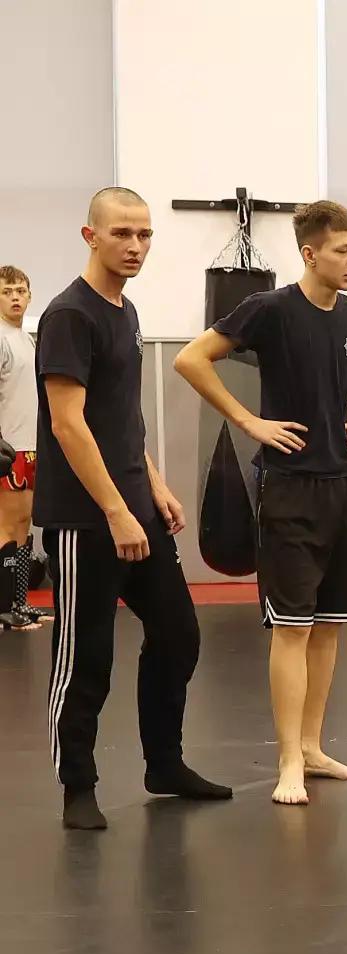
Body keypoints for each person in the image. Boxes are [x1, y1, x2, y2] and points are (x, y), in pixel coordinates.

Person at [174, 201, 347, 806]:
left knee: (329, 626)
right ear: (309, 253)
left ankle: (314, 747)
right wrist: (248, 421)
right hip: (289, 486)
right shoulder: (269, 309)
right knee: (293, 627)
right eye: (343, 250)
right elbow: (189, 358)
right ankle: (289, 760)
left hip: (344, 485)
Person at [36, 187, 232, 830]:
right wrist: (116, 510)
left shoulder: (126, 310)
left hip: (133, 505)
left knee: (177, 634)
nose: (136, 246)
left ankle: (164, 765)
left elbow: (119, 417)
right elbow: (69, 424)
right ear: (90, 236)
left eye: (145, 234)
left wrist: (153, 484)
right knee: (84, 656)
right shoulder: (70, 315)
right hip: (87, 517)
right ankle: (78, 786)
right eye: (122, 233)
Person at [1, 264, 46, 631]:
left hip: (31, 447)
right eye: (6, 292)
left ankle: (20, 602)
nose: (14, 297)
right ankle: (4, 606)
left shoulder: (27, 339)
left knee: (24, 525)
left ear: (29, 296)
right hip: (8, 449)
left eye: (20, 291)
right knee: (6, 526)